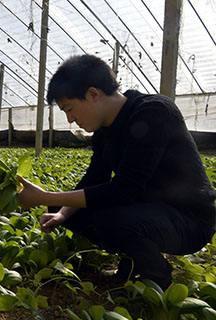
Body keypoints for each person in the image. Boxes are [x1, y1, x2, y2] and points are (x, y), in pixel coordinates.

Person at [17, 54, 215, 289]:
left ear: (93, 94)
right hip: (149, 211)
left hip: (189, 221)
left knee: (113, 219)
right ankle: (132, 260)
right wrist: (60, 213)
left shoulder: (154, 112)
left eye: (70, 109)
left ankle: (156, 277)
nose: (70, 120)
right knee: (66, 210)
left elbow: (125, 191)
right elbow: (93, 180)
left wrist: (44, 196)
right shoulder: (104, 131)